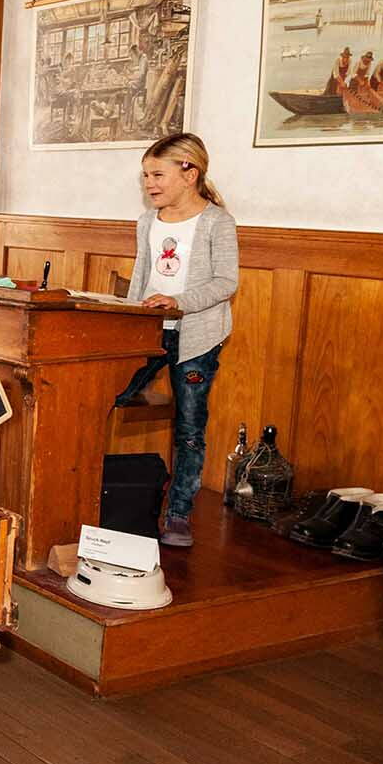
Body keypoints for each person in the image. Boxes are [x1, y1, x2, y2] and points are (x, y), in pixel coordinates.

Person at [114, 133, 239, 548]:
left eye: (157, 174)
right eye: (145, 176)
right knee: (112, 397)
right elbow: (140, 277)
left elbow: (226, 282)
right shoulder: (147, 220)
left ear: (190, 173)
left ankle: (179, 514)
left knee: (189, 427)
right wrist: (128, 321)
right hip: (149, 332)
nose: (149, 183)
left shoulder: (217, 222)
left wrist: (178, 301)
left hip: (197, 338)